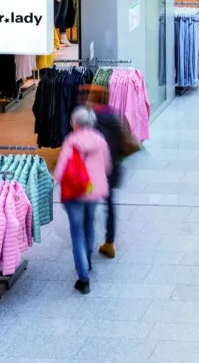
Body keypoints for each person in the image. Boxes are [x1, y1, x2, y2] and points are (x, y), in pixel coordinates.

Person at [53, 106, 113, 294]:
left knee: (77, 233)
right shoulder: (100, 139)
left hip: (75, 193)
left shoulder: (71, 141)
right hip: (92, 191)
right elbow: (107, 166)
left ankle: (83, 278)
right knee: (89, 225)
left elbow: (61, 170)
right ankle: (88, 260)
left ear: (76, 124)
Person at [81, 84, 131, 259]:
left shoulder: (89, 120)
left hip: (93, 173)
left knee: (89, 208)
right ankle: (109, 243)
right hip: (111, 170)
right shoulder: (113, 117)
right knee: (110, 205)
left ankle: (87, 245)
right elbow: (123, 145)